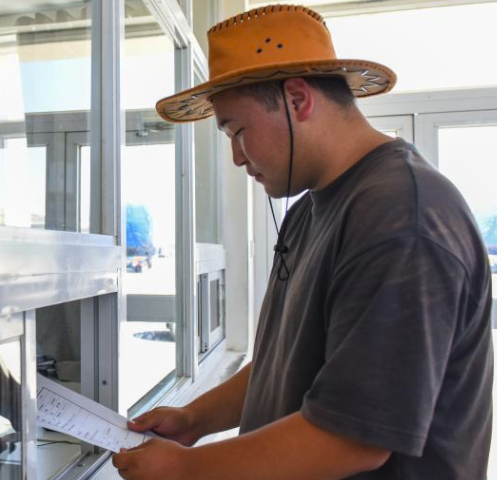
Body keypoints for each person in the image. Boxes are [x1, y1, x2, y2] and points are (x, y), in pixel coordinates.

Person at [113, 4, 493, 480]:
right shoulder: (306, 212)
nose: (235, 157)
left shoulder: (400, 216)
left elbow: (354, 439)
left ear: (297, 101)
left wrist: (187, 470)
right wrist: (195, 419)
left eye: (237, 130)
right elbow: (287, 363)